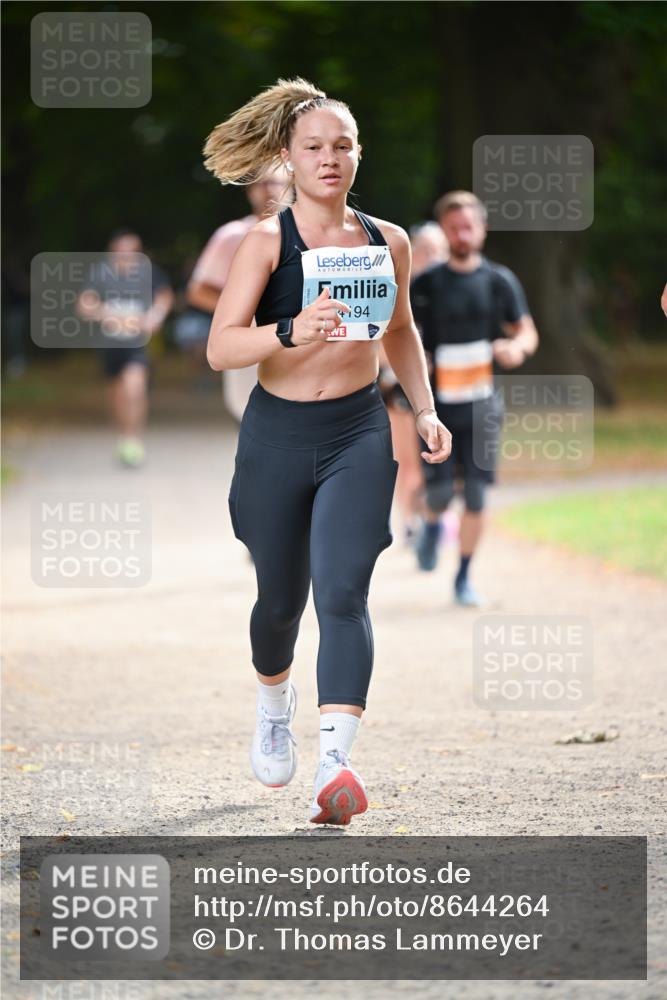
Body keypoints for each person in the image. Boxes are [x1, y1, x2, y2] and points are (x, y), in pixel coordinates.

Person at [204, 78, 451, 825]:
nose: (328, 158)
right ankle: (274, 704)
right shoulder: (265, 241)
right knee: (280, 601)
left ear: (357, 154)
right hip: (277, 435)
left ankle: (335, 765)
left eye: (341, 145)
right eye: (313, 147)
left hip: (357, 433)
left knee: (343, 594)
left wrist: (425, 407)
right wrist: (289, 332)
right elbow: (220, 348)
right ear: (289, 157)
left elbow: (400, 331)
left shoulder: (388, 242)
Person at [410, 191, 538, 606]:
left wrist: (516, 349)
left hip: (483, 407)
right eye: (453, 228)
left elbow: (526, 331)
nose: (462, 234)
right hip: (438, 410)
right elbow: (403, 340)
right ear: (445, 233)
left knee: (478, 496)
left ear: (482, 229)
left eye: (468, 226)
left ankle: (463, 577)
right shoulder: (426, 285)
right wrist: (420, 362)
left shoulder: (499, 280)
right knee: (442, 493)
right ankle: (431, 527)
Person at [186, 167, 288, 417]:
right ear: (250, 191)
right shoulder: (231, 236)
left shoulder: (312, 234)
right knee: (252, 417)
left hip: (299, 345)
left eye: (276, 182)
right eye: (262, 183)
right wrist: (244, 313)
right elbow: (198, 291)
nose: (269, 190)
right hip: (250, 348)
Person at [78, 229, 173, 467]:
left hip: (136, 344)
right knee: (116, 394)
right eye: (122, 251)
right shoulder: (100, 274)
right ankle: (122, 437)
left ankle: (135, 440)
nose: (127, 256)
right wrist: (103, 313)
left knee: (135, 388)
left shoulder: (148, 272)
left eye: (132, 251)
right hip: (109, 345)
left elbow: (165, 295)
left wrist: (156, 316)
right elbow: (84, 303)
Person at [379, 222, 449, 544]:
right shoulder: (397, 290)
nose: (432, 258)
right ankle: (409, 521)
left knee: (441, 460)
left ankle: (432, 516)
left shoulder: (451, 293)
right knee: (408, 460)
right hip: (399, 389)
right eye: (425, 251)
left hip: (446, 389)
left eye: (438, 252)